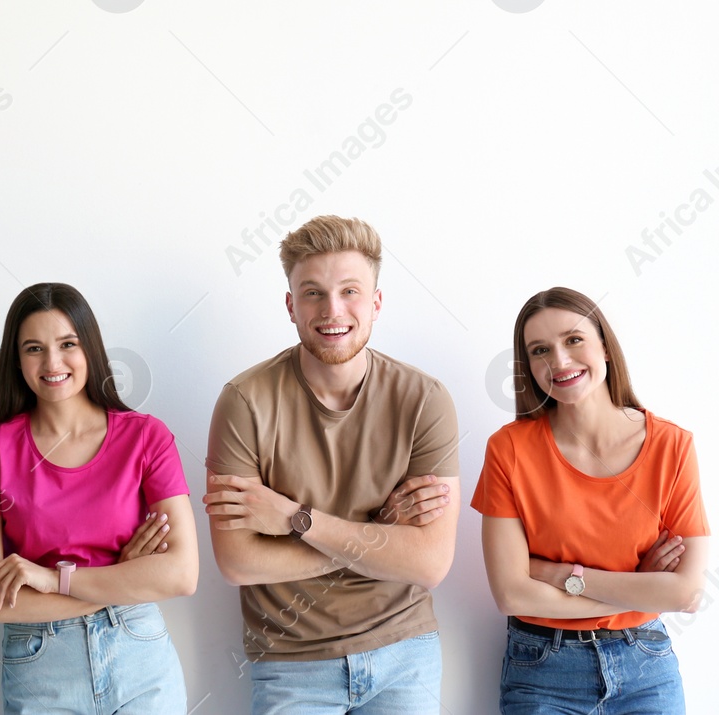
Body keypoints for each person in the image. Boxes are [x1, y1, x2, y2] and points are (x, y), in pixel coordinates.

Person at [204, 214, 459, 713]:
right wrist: (379, 539)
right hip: (290, 663)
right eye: (313, 292)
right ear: (290, 305)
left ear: (376, 302)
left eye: (350, 291)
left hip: (404, 650)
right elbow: (236, 562)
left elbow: (430, 563)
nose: (332, 310)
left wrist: (295, 520)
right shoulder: (244, 401)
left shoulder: (425, 400)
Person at [0, 282, 197, 715]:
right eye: (33, 348)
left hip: (139, 657)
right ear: (16, 359)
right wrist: (125, 575)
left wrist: (54, 579)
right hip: (41, 665)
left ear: (90, 348)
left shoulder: (147, 437)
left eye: (67, 344)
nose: (52, 363)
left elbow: (182, 574)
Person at [471, 287, 709, 714]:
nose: (559, 362)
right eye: (540, 350)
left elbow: (686, 589)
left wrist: (561, 574)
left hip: (646, 669)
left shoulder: (673, 446)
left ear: (605, 345)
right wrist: (643, 590)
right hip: (543, 671)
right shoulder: (508, 449)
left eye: (573, 339)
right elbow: (511, 594)